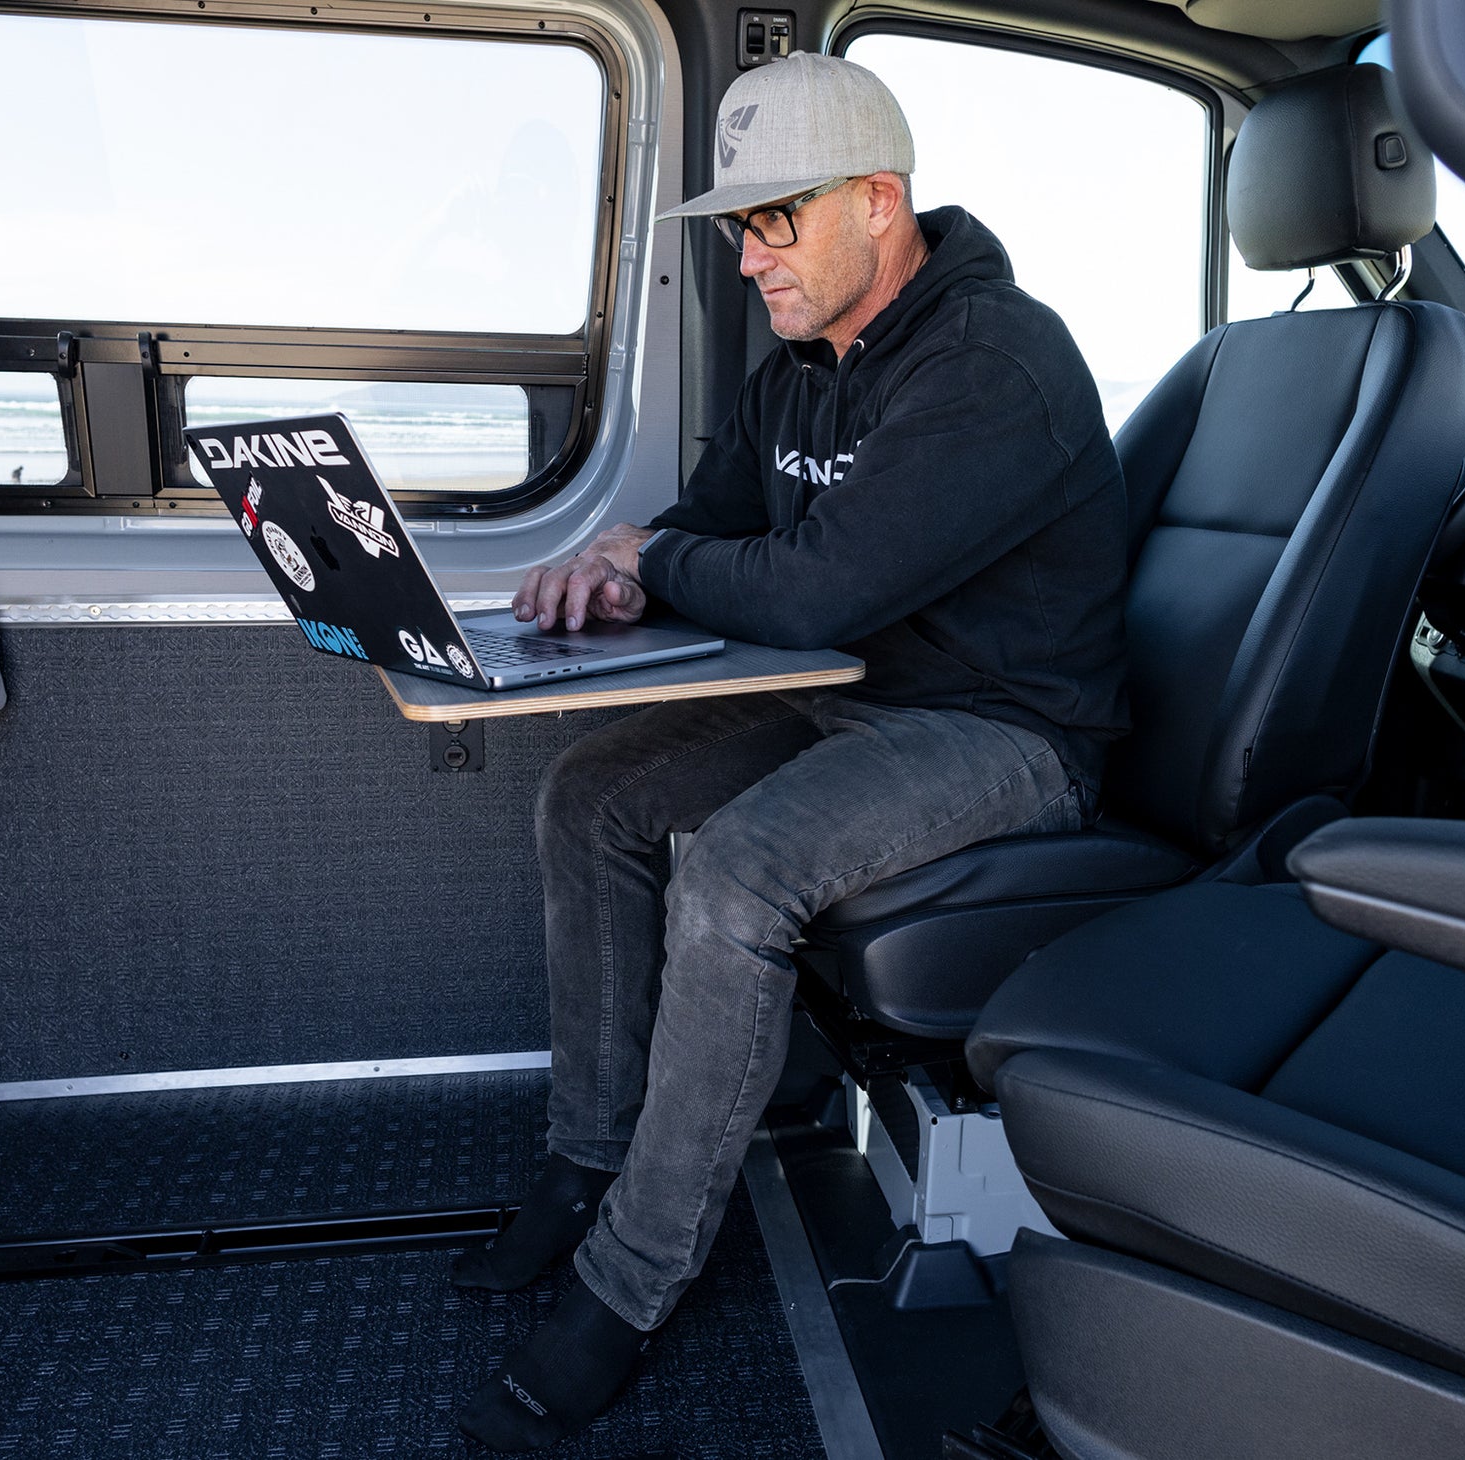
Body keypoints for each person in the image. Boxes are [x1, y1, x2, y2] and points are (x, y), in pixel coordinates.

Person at [451, 51, 1127, 1451]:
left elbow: (812, 591)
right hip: (853, 698)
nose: (750, 255)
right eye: (736, 226)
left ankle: (629, 1284)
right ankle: (590, 1153)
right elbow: (713, 523)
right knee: (595, 794)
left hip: (1004, 730)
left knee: (739, 868)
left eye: (777, 219)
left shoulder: (994, 361)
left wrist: (670, 558)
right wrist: (628, 564)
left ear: (878, 203)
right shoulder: (796, 372)